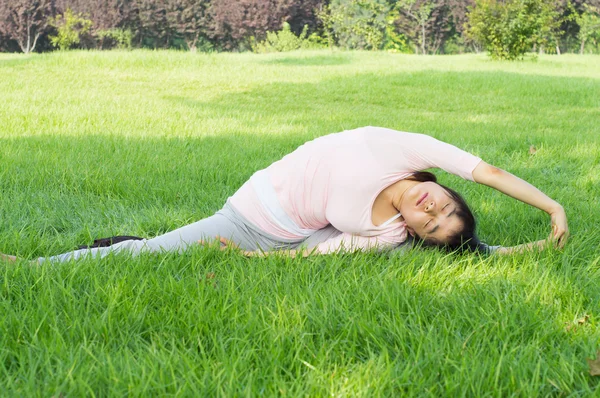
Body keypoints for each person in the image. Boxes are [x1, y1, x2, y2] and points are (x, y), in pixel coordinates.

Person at [0, 126, 568, 263]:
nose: (430, 211)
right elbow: (488, 169)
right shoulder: (405, 149)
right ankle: (33, 265)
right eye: (443, 205)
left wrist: (533, 249)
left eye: (430, 226)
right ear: (442, 187)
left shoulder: (389, 232)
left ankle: (35, 263)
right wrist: (552, 207)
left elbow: (318, 253)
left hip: (284, 238)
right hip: (251, 213)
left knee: (160, 254)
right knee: (152, 252)